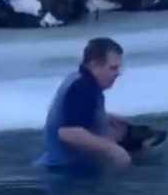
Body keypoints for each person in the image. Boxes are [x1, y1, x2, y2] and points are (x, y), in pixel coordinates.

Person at [35, 36, 134, 176]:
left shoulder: (80, 80)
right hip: (65, 173)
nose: (118, 74)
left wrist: (106, 117)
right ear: (94, 65)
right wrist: (111, 149)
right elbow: (68, 132)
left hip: (66, 169)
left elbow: (77, 115)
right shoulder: (83, 88)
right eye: (113, 68)